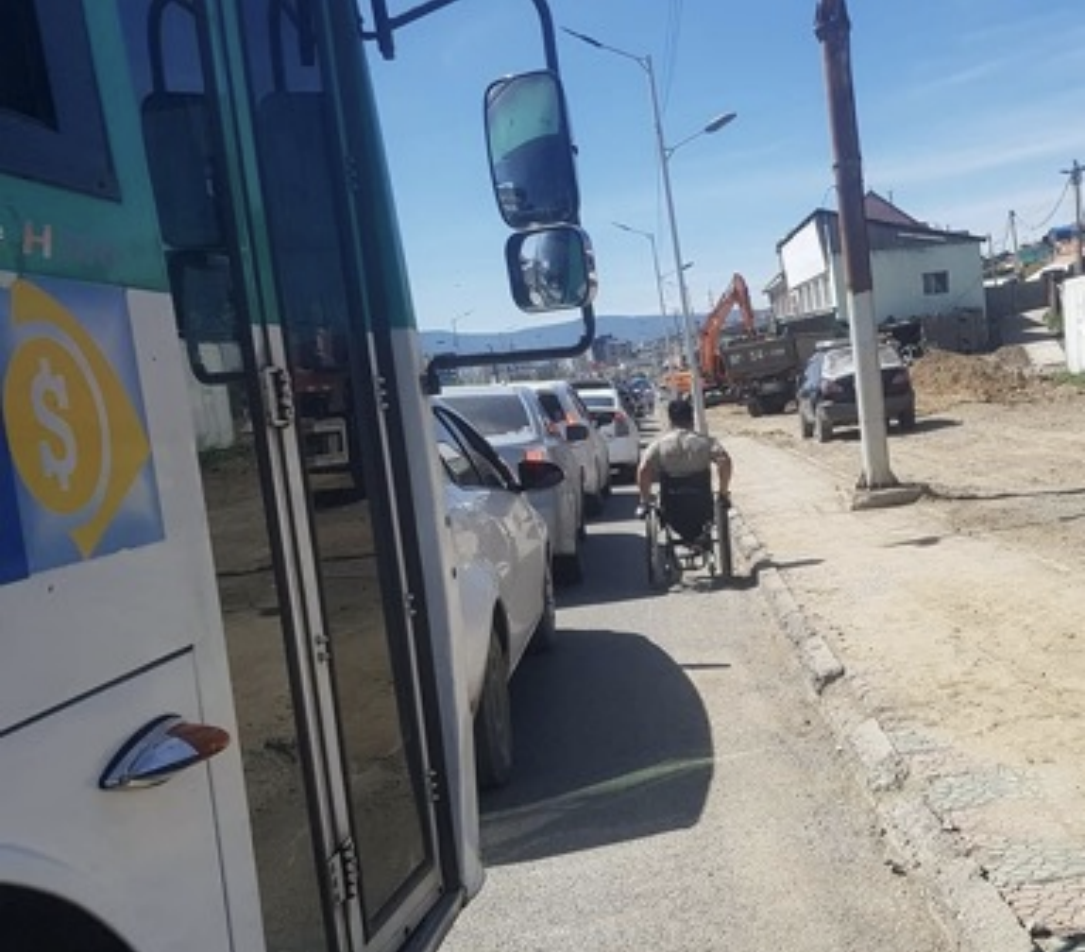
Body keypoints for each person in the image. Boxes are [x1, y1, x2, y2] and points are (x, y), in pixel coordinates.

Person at [636, 397, 732, 518]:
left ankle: (644, 504)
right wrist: (723, 492)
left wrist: (645, 499)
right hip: (701, 502)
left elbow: (643, 469)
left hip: (671, 504)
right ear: (691, 419)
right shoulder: (706, 442)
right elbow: (724, 461)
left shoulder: (659, 444)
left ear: (670, 420)